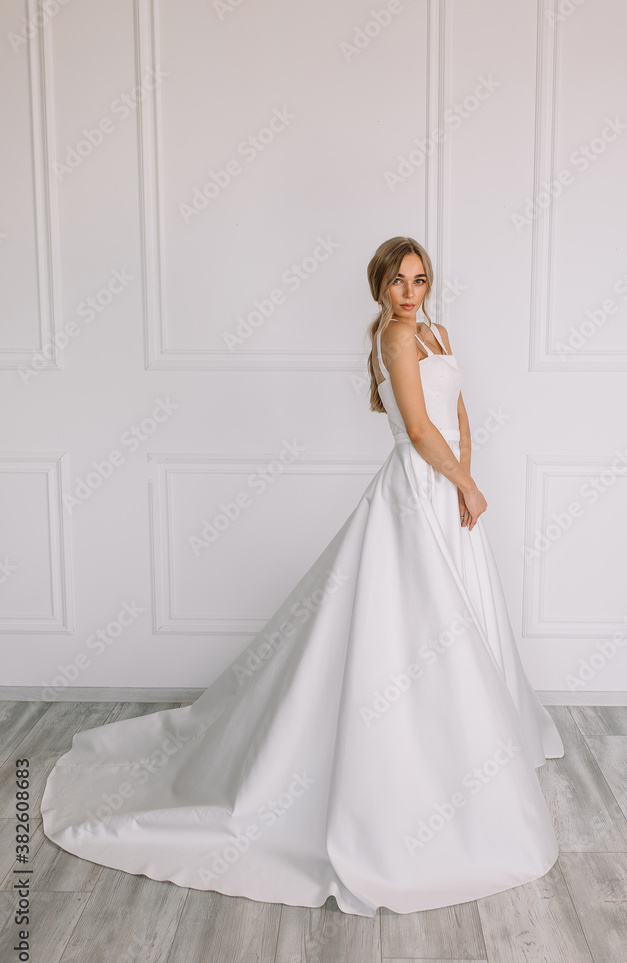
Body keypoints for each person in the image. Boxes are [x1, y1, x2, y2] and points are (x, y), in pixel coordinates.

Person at [41, 235, 564, 918]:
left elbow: (456, 411)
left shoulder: (435, 329)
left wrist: (467, 472)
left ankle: (470, 747)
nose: (410, 292)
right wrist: (463, 482)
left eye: (420, 279)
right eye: (397, 282)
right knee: (405, 622)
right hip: (421, 487)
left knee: (462, 612)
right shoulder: (395, 340)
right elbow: (418, 427)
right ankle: (406, 754)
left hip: (450, 488)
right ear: (377, 287)